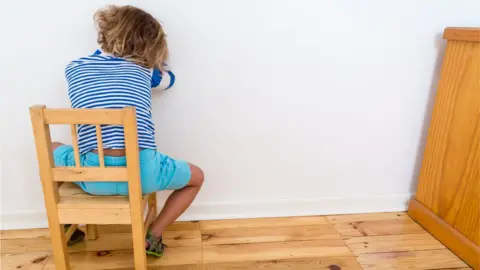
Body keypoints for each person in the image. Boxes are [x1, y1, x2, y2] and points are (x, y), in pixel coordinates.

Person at [52, 5, 204, 257]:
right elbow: (169, 80)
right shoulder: (146, 71)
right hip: (143, 174)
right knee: (196, 178)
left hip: (92, 177)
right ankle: (152, 235)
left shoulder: (74, 68)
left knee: (54, 149)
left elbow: (98, 65)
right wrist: (154, 62)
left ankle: (68, 221)